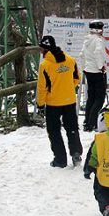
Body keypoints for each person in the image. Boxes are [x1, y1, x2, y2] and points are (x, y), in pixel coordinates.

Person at [37, 35, 83, 168]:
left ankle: (60, 159)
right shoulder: (70, 60)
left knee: (54, 131)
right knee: (72, 128)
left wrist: (40, 104)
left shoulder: (45, 65)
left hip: (53, 103)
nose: (41, 51)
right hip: (69, 101)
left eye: (41, 49)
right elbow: (77, 78)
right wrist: (67, 88)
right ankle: (76, 152)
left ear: (45, 49)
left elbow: (42, 87)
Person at [81, 20, 107, 132]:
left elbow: (82, 54)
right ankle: (92, 123)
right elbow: (98, 52)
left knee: (91, 97)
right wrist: (101, 66)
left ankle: (87, 122)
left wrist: (84, 67)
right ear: (99, 29)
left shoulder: (87, 40)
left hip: (88, 70)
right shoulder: (98, 40)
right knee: (99, 98)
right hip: (97, 71)